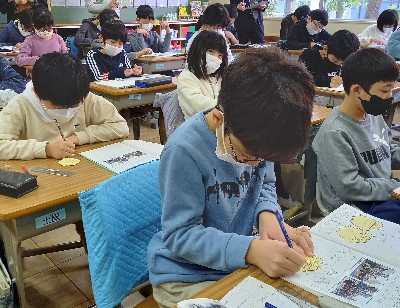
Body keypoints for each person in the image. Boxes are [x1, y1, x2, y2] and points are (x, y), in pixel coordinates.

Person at [147, 48, 315, 308]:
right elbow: (179, 235)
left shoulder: (256, 136)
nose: (257, 164)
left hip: (234, 260)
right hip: (184, 275)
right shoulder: (184, 152)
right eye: (249, 156)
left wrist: (267, 213)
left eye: (264, 158)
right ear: (218, 118)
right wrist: (250, 250)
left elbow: (266, 184)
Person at [312, 48, 400, 224]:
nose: (389, 97)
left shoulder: (373, 115)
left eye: (392, 90)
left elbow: (388, 148)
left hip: (380, 193)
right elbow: (349, 188)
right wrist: (393, 186)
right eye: (384, 91)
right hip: (354, 206)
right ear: (357, 90)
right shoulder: (335, 132)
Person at [0, 52, 129, 160]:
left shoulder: (80, 94)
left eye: (74, 105)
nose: (67, 111)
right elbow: (2, 146)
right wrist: (46, 149)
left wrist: (78, 137)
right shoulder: (20, 105)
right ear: (36, 92)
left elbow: (120, 126)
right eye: (57, 107)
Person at [177, 31, 228, 120]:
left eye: (220, 55)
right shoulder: (187, 77)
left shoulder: (218, 77)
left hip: (219, 125)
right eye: (211, 52)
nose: (215, 58)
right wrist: (230, 105)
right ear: (198, 50)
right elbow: (199, 105)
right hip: (199, 128)